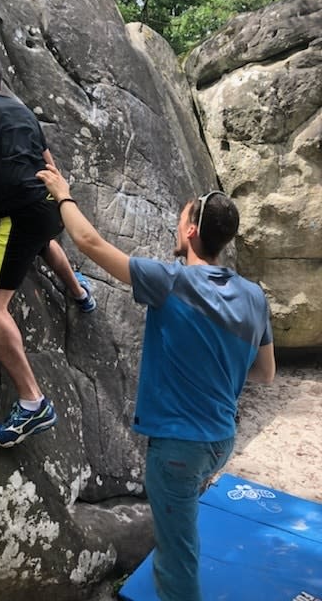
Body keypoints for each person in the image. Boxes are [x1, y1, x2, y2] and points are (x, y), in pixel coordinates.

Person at [36, 164, 276, 601]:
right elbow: (265, 372)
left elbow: (89, 243)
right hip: (220, 439)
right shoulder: (254, 296)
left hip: (179, 449)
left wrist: (61, 193)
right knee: (181, 530)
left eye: (180, 220)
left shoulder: (172, 282)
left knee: (175, 555)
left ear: (190, 230)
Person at [0, 55, 96, 449]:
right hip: (50, 205)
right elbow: (50, 163)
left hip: (21, 213)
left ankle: (33, 404)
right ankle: (80, 294)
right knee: (44, 243)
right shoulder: (21, 111)